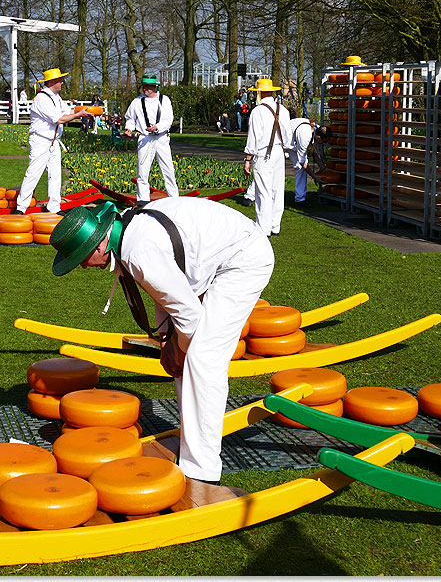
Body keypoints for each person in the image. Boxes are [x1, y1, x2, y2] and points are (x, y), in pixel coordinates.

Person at [48, 197, 274, 484]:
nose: (82, 267)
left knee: (204, 357)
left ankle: (202, 469)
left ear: (100, 245)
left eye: (80, 257)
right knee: (186, 359)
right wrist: (168, 340)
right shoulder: (127, 232)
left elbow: (188, 315)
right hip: (209, 260)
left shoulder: (138, 251)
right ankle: (192, 441)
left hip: (242, 259)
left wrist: (181, 348)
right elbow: (166, 289)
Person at [16, 68, 92, 214]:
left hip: (53, 142)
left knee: (55, 174)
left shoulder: (56, 97)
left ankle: (54, 207)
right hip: (41, 141)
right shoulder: (42, 99)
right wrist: (79, 115)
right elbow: (58, 119)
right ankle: (21, 208)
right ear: (52, 82)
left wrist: (83, 111)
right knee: (33, 173)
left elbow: (67, 112)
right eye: (59, 80)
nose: (62, 83)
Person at [242, 78, 291, 236]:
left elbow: (253, 138)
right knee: (277, 190)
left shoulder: (258, 111)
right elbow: (288, 137)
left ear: (259, 93)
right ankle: (275, 225)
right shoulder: (283, 110)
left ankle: (263, 228)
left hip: (263, 153)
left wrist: (248, 159)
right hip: (279, 152)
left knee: (263, 190)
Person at [124, 74, 178, 203]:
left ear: (155, 87)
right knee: (142, 171)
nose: (145, 89)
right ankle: (143, 201)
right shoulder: (137, 101)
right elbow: (130, 118)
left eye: (148, 86)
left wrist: (157, 127)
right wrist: (129, 128)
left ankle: (174, 199)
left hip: (161, 138)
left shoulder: (164, 100)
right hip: (145, 139)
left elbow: (168, 119)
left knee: (168, 169)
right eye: (143, 86)